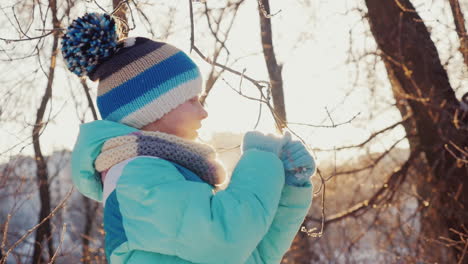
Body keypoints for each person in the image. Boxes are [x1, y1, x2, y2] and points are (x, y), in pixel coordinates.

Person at [63, 13, 316, 264]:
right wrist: (262, 161)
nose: (203, 112)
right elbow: (224, 239)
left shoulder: (165, 173)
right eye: (192, 100)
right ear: (153, 110)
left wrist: (288, 188)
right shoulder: (134, 176)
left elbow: (255, 255)